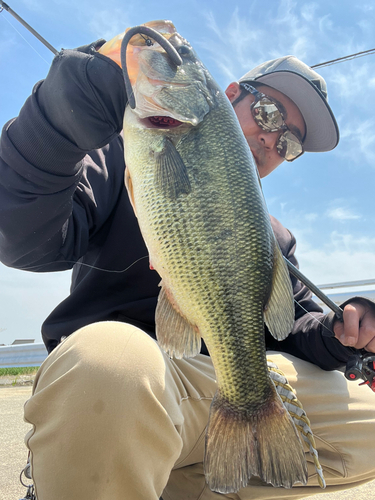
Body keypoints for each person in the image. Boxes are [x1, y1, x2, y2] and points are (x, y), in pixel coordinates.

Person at [0, 33, 374, 500]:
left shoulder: (275, 237)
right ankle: (95, 466)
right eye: (269, 114)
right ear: (230, 94)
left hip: (214, 381)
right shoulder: (126, 152)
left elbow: (288, 326)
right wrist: (58, 115)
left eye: (291, 143)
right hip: (126, 382)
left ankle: (172, 481)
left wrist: (343, 328)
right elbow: (22, 240)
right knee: (111, 365)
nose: (272, 138)